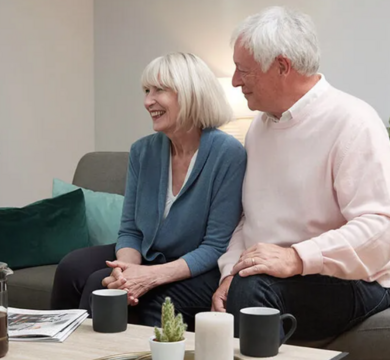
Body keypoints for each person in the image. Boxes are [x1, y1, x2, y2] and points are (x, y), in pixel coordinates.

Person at [212, 6, 390, 342]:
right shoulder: (259, 128)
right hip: (269, 273)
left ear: (282, 67)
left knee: (252, 293)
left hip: (350, 281)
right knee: (180, 294)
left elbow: (383, 228)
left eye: (243, 70)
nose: (234, 81)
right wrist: (229, 272)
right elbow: (248, 221)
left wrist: (297, 258)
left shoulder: (353, 122)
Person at [51, 53, 246, 329]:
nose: (147, 101)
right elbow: (130, 229)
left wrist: (148, 276)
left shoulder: (228, 153)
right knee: (72, 267)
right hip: (146, 252)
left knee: (99, 284)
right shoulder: (142, 151)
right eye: (146, 91)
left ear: (190, 94)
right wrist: (125, 270)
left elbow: (214, 246)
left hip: (194, 265)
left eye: (159, 90)